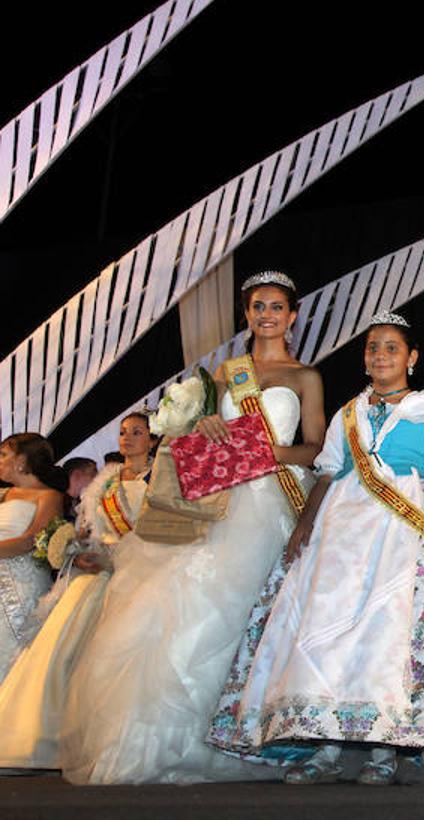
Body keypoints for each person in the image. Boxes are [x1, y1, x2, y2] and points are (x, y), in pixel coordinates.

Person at [59, 271, 325, 784]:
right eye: (256, 306)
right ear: (247, 315)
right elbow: (201, 439)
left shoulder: (305, 376)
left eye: (276, 307)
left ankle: (256, 737)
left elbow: (315, 446)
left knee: (258, 615)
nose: (266, 314)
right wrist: (204, 425)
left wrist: (263, 453)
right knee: (185, 608)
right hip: (220, 500)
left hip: (274, 496)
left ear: (292, 316)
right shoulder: (227, 373)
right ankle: (165, 740)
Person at [209, 311, 424, 786]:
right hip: (343, 527)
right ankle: (324, 745)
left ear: (411, 357)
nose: (380, 355)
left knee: (385, 630)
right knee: (325, 626)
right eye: (372, 347)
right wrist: (304, 525)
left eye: (391, 347)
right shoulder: (347, 413)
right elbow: (327, 472)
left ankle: (383, 750)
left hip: (403, 524)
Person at [0, 414, 154, 769]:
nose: (127, 438)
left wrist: (113, 559)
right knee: (57, 651)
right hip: (93, 570)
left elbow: (152, 532)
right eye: (122, 432)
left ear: (152, 438)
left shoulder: (158, 477)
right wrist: (79, 550)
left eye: (137, 432)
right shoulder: (107, 482)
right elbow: (89, 530)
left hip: (135, 570)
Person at [0, 434, 66, 677]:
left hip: (21, 585)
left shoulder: (49, 496)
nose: (0, 461)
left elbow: (31, 540)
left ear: (22, 460)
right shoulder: (3, 494)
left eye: (3, 455)